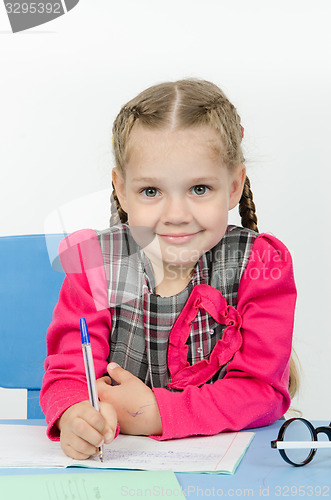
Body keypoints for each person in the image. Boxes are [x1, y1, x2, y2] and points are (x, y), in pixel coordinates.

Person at [40, 78, 298, 460]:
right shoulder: (98, 264)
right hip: (117, 470)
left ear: (233, 186)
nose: (176, 216)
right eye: (151, 191)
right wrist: (75, 414)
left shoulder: (260, 264)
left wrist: (156, 414)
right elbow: (68, 377)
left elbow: (262, 394)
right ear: (122, 188)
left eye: (199, 189)